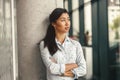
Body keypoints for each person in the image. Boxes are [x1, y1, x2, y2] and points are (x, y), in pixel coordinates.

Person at [39, 8, 86, 80]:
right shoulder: (45, 44)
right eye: (63, 20)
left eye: (68, 19)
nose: (67, 23)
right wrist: (74, 65)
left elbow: (83, 69)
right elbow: (52, 68)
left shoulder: (76, 45)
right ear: (54, 23)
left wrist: (63, 71)